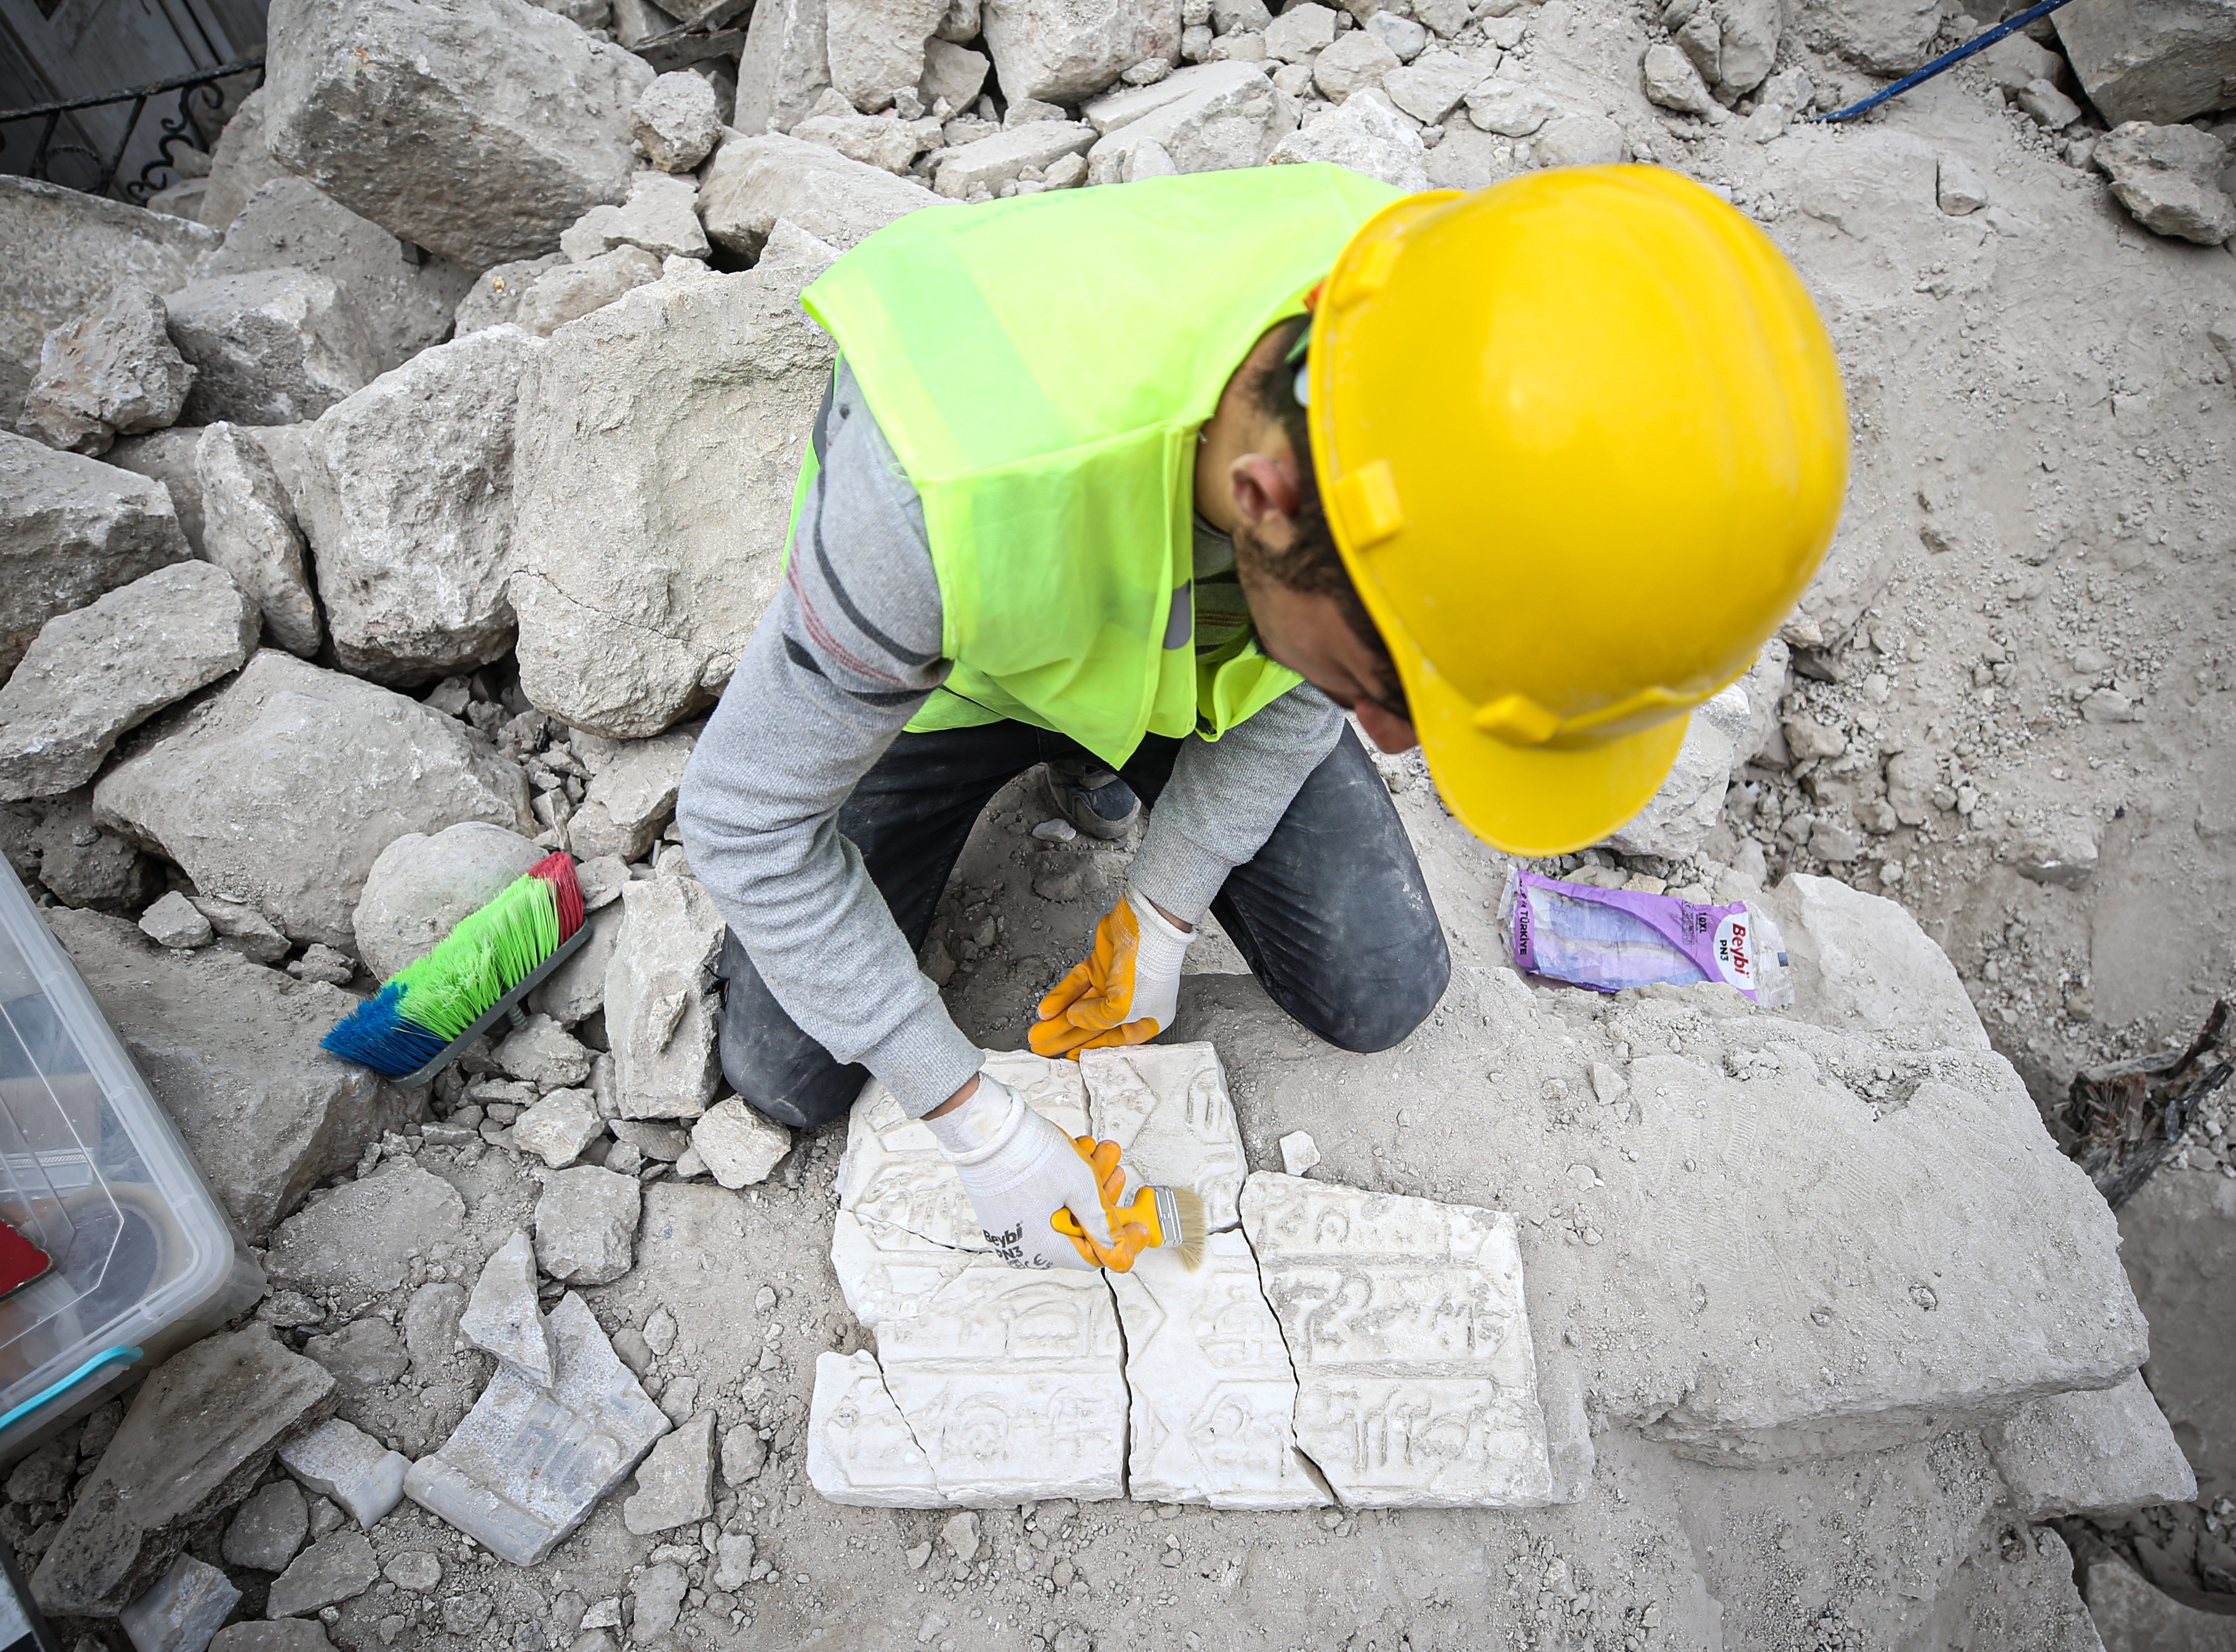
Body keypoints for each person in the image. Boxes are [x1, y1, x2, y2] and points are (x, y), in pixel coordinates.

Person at [676, 161, 1848, 1270]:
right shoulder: (931, 496)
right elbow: (743, 819)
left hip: (1200, 650)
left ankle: (1117, 755)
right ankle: (1052, 754)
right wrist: (971, 1116)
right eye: (1394, 690)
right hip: (954, 670)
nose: (1395, 744)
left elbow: (1298, 688)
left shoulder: (1439, 342)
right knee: (785, 1073)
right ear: (1267, 502)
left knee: (1381, 988)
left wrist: (1164, 904)